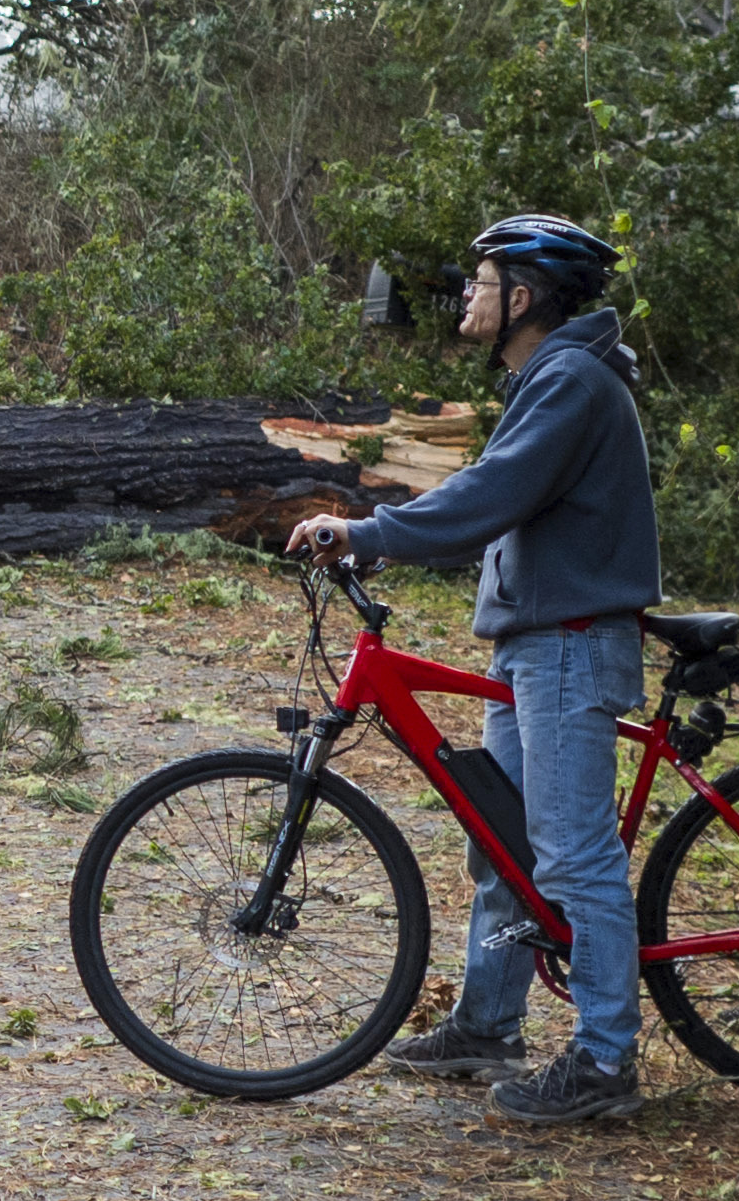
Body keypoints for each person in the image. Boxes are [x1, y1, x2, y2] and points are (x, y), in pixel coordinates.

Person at [284, 213, 664, 1128]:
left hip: (569, 644)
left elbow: (492, 493)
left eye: (481, 282)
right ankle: (487, 1023)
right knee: (503, 844)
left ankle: (605, 1060)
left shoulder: (568, 379)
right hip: (537, 641)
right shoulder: (551, 375)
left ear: (521, 298)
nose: (468, 295)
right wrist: (382, 542)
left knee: (573, 854)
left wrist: (368, 531)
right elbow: (493, 496)